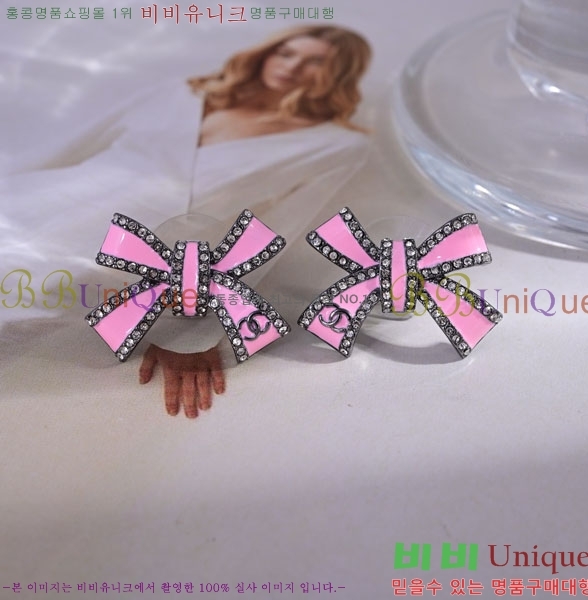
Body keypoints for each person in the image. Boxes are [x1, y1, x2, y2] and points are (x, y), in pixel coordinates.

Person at [0, 25, 372, 419]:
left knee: (27, 298)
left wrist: (187, 333)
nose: (292, 67)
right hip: (43, 198)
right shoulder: (187, 92)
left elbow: (268, 236)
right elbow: (74, 147)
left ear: (340, 74)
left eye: (315, 62)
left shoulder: (336, 144)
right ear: (266, 53)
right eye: (286, 53)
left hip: (126, 245)